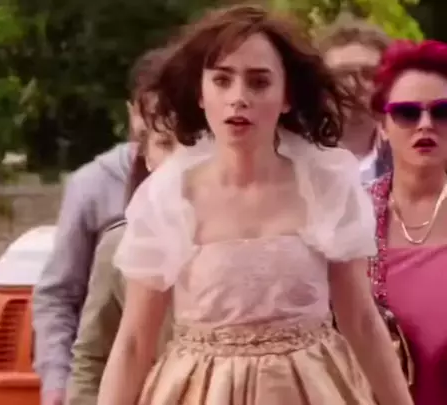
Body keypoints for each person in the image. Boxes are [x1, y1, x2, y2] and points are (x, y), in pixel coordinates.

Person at [97, 5, 413, 405]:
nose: (238, 98)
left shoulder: (326, 184)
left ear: (286, 97)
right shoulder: (168, 195)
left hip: (311, 390)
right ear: (201, 93)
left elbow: (362, 322)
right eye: (222, 80)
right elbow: (133, 342)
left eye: (259, 82)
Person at [31, 49, 164, 405]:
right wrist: (57, 383)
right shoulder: (92, 186)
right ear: (133, 112)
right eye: (151, 115)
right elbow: (59, 294)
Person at [66, 122, 177, 405]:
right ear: (147, 156)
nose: (178, 160)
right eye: (165, 144)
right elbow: (92, 358)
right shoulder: (120, 245)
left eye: (193, 145)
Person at [367, 39, 447, 405]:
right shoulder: (352, 215)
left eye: (442, 112)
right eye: (406, 113)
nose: (425, 125)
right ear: (382, 126)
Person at [315, 13, 393, 183]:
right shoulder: (295, 157)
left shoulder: (407, 158)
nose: (353, 85)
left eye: (368, 74)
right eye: (341, 75)